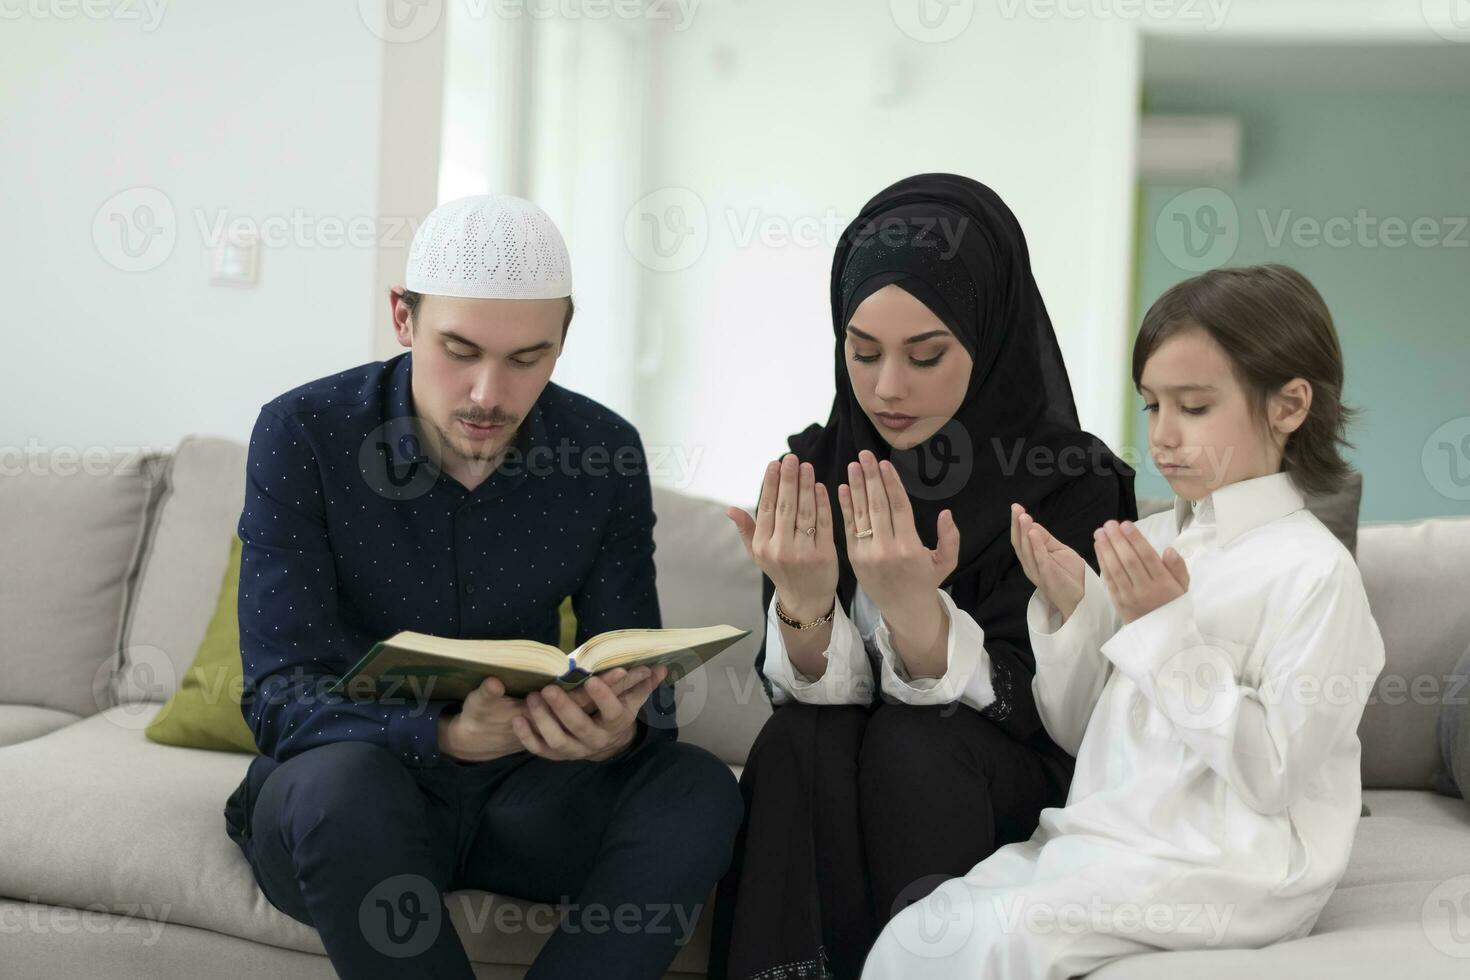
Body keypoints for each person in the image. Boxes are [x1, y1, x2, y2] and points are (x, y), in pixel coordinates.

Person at [222, 194, 743, 980]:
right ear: (403, 317)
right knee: (342, 787)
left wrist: (617, 732)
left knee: (697, 789)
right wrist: (445, 736)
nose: (487, 394)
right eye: (458, 349)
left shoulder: (604, 452)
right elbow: (276, 697)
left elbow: (642, 681)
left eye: (526, 359)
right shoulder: (304, 433)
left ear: (563, 338)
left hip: (526, 802)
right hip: (359, 800)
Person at [863, 263, 1387, 978]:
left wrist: (1166, 630)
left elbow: (1273, 775)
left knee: (986, 946)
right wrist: (1074, 609)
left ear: (1289, 405)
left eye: (1194, 407)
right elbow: (1083, 733)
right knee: (916, 934)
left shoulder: (1317, 574)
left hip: (1233, 867)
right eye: (1151, 406)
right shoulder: (1159, 546)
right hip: (1110, 840)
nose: (1163, 437)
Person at [707, 173, 1138, 979]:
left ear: (990, 331)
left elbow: (1075, 718)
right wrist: (802, 603)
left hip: (997, 776)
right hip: (856, 767)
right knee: (798, 739)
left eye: (927, 354)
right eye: (862, 352)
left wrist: (920, 619)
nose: (888, 387)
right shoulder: (815, 466)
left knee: (917, 739)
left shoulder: (1070, 484)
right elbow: (813, 698)